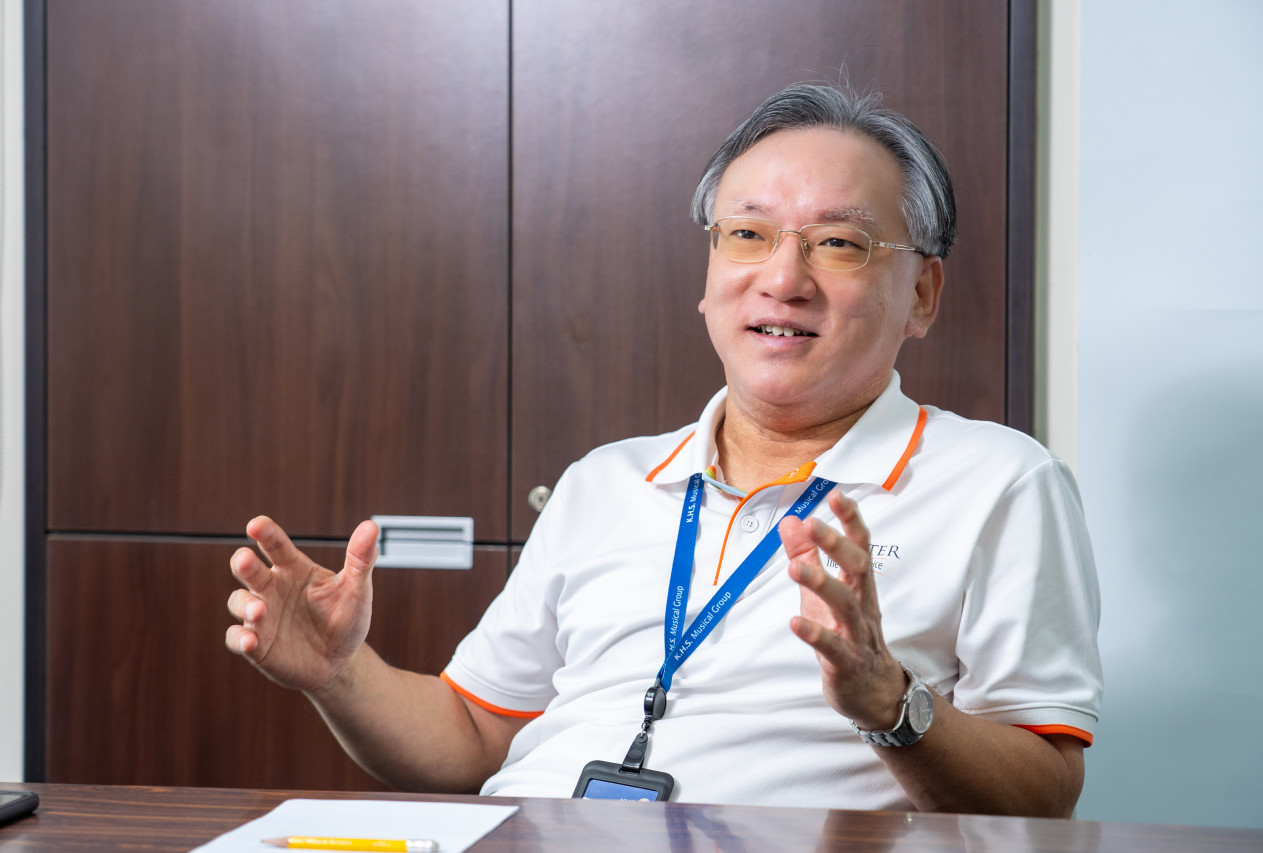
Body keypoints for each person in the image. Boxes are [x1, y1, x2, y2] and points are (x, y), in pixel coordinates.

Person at [226, 83, 1101, 815]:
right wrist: (339, 674)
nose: (783, 278)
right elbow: (471, 734)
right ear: (711, 273)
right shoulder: (605, 481)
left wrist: (891, 703)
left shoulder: (999, 482)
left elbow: (1045, 792)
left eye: (839, 243)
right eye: (747, 234)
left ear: (922, 294)